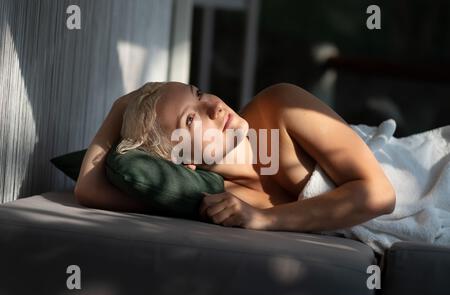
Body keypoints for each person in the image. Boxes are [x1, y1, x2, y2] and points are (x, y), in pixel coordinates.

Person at [74, 81, 396, 233]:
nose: (215, 107)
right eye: (190, 119)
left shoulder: (281, 107)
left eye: (198, 93)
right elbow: (87, 189)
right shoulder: (219, 198)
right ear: (182, 160)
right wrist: (121, 110)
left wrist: (266, 219)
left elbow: (381, 194)